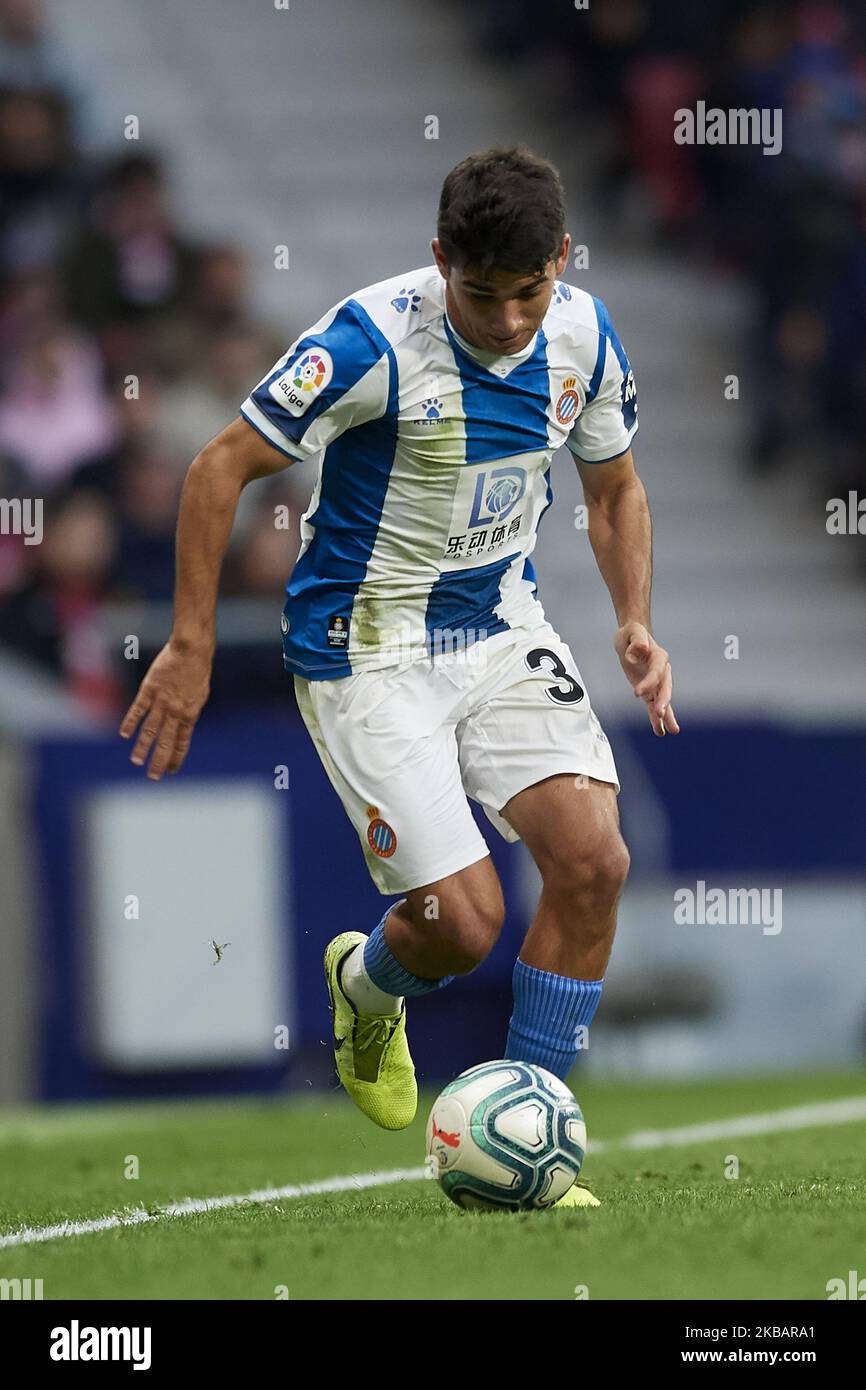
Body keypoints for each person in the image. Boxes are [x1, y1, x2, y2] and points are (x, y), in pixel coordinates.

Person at [120, 146, 679, 1206]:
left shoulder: (582, 334)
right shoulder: (371, 338)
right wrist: (189, 645)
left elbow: (613, 491)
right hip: (364, 650)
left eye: (530, 290)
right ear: (438, 261)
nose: (512, 319)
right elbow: (215, 468)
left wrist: (633, 620)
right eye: (483, 294)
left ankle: (529, 1141)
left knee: (592, 861)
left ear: (561, 258)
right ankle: (364, 983)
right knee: (464, 928)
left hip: (499, 626)